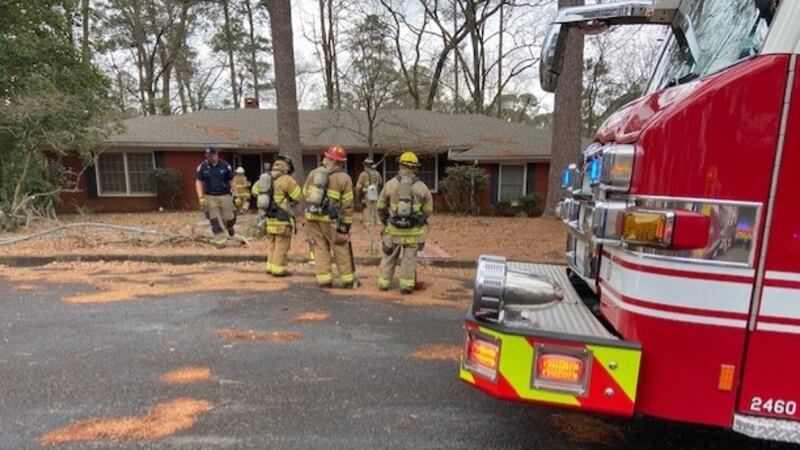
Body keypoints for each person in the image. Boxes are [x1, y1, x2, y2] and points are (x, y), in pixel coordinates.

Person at [377, 151, 433, 295]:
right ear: (415, 167)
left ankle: (384, 283)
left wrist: (385, 222)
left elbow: (380, 206)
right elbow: (428, 209)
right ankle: (406, 286)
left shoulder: (390, 185)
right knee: (409, 259)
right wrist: (420, 220)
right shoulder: (421, 187)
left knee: (389, 256)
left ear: (400, 165)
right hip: (413, 232)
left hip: (393, 230)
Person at [303, 145, 356, 288]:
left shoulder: (314, 173)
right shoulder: (344, 178)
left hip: (312, 217)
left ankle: (324, 280)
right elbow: (348, 204)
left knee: (320, 248)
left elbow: (305, 193)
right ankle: (347, 280)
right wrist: (346, 223)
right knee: (340, 246)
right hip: (332, 221)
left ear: (327, 157)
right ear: (341, 161)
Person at [251, 155, 301, 277]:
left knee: (272, 244)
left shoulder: (266, 178)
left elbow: (254, 190)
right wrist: (290, 203)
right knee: (281, 245)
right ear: (287, 168)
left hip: (270, 218)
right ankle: (278, 270)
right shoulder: (287, 180)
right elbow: (298, 196)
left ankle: (270, 267)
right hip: (282, 219)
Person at [196, 147, 238, 245]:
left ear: (216, 155)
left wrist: (236, 195)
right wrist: (200, 197)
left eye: (211, 156)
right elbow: (198, 181)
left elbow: (231, 180)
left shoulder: (225, 166)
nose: (209, 158)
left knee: (229, 218)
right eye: (207, 156)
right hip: (210, 196)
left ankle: (230, 227)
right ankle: (220, 241)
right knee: (215, 219)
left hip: (225, 195)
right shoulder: (203, 166)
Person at [355, 158, 383, 222]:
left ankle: (368, 223)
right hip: (376, 194)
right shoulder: (377, 173)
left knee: (367, 211)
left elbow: (358, 187)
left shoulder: (363, 174)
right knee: (376, 210)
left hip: (366, 196)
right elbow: (381, 183)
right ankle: (377, 222)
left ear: (366, 166)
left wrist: (358, 196)